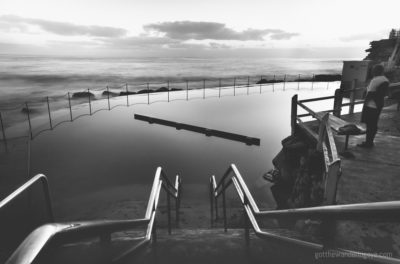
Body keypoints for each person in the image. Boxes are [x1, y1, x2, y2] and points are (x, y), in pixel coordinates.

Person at [357, 64, 389, 148]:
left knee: (370, 125)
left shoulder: (375, 80)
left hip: (371, 105)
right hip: (378, 105)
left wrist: (365, 96)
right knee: (373, 124)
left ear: (377, 71)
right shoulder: (385, 79)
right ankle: (370, 142)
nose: (372, 71)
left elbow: (370, 93)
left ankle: (368, 143)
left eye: (374, 70)